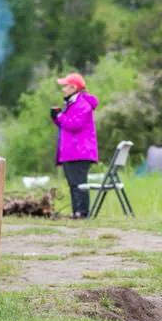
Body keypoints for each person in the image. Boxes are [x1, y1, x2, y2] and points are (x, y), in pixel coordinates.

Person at [50, 72, 99, 219]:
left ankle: (82, 213)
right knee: (74, 184)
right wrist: (56, 117)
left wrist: (59, 116)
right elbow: (66, 125)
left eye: (65, 86)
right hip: (72, 152)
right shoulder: (73, 102)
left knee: (79, 183)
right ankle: (77, 212)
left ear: (73, 87)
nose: (63, 89)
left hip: (80, 152)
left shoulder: (82, 104)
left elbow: (74, 124)